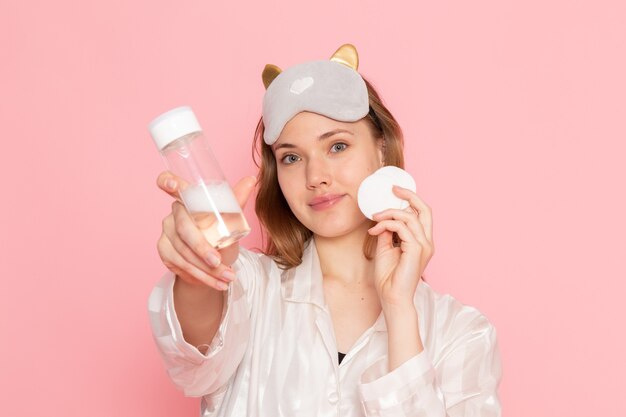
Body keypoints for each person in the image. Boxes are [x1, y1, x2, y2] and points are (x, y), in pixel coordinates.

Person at [147, 44, 502, 416]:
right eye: (291, 157)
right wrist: (199, 269)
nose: (316, 177)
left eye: (337, 146)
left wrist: (399, 310)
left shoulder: (462, 334)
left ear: (382, 150)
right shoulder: (249, 289)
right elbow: (194, 368)